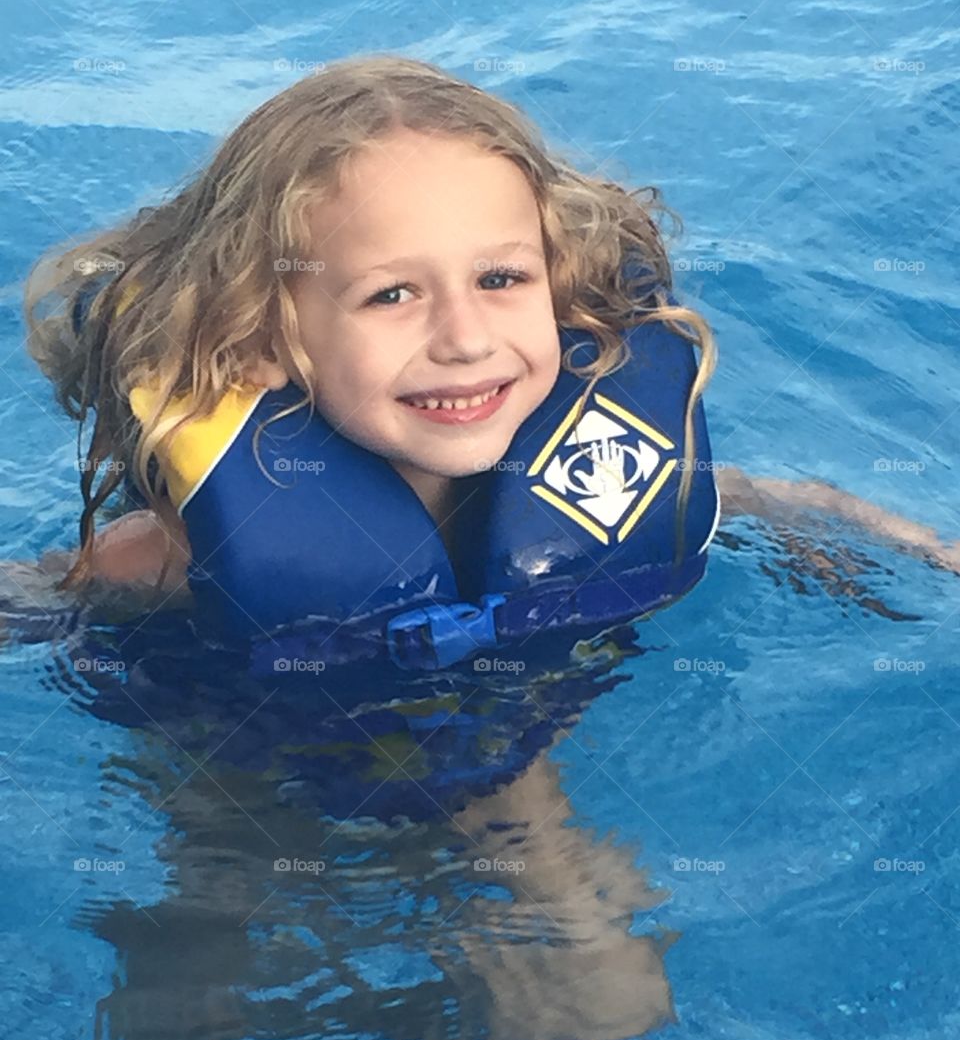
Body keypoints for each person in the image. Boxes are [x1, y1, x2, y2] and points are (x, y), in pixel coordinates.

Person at [12, 52, 960, 637]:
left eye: (501, 280)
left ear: (561, 279)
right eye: (392, 295)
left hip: (520, 758)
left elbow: (774, 501)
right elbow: (44, 594)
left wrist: (909, 548)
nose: (466, 340)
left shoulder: (608, 468)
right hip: (263, 783)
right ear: (263, 334)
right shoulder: (174, 557)